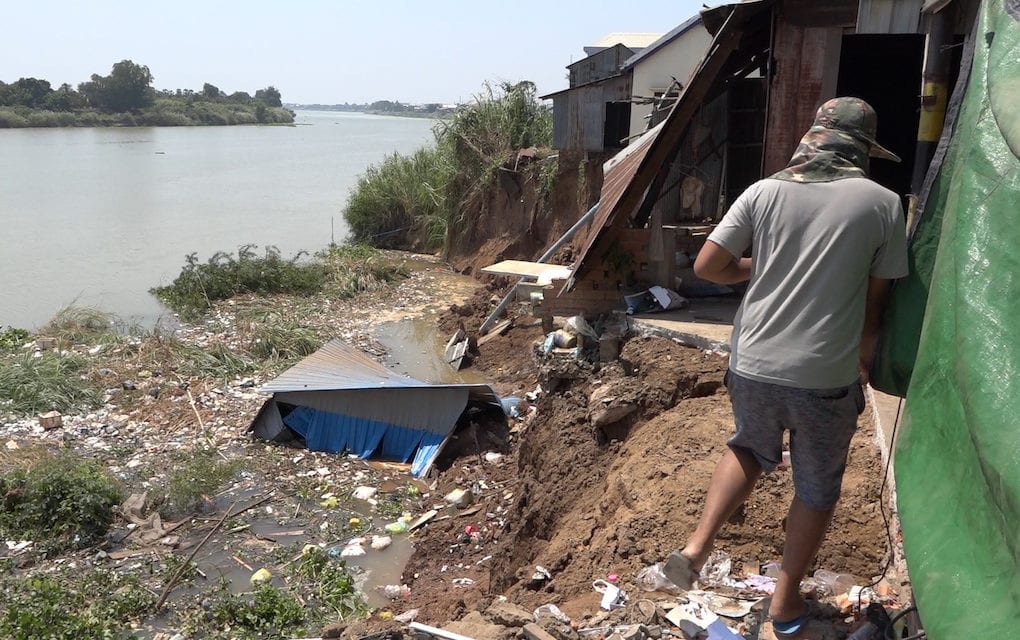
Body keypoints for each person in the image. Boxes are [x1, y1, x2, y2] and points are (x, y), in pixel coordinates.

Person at [665, 97, 909, 639]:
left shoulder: (764, 190)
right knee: (817, 487)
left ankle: (696, 547)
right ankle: (783, 604)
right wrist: (866, 351)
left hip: (751, 360)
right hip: (823, 373)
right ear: (862, 151)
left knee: (749, 447)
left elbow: (709, 266)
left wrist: (764, 265)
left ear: (812, 139)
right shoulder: (883, 203)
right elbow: (878, 295)